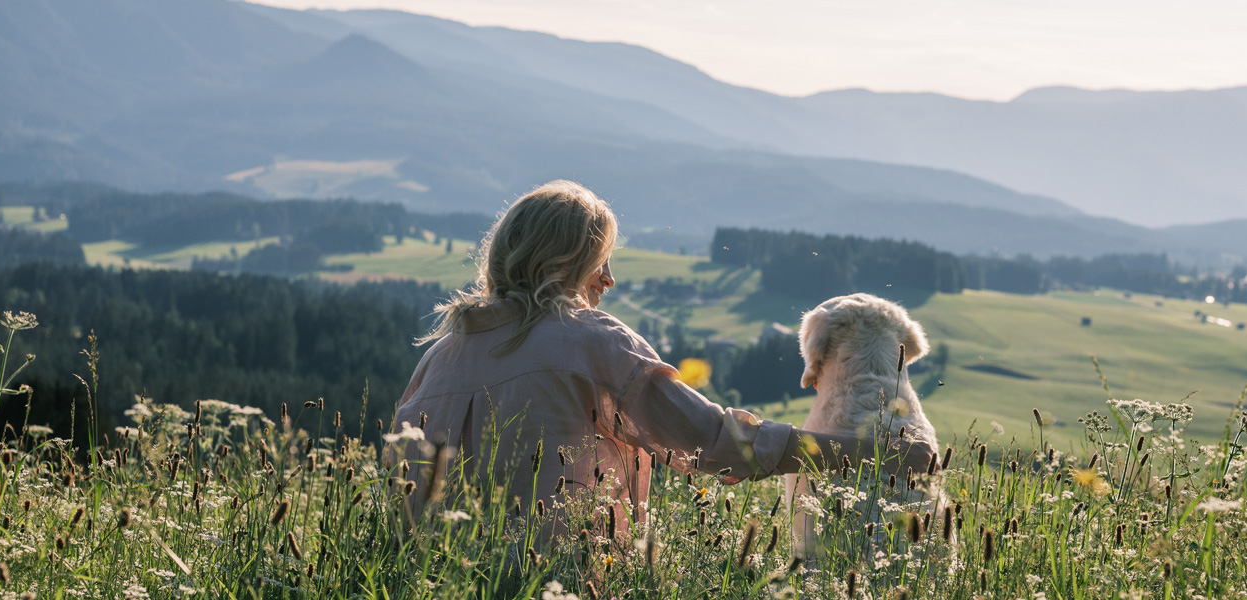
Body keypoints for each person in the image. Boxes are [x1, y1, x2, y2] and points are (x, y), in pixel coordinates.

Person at [389, 180, 934, 539]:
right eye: (599, 263)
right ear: (564, 263)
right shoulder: (588, 338)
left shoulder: (438, 357)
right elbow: (711, 441)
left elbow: (400, 490)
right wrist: (873, 456)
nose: (609, 280)